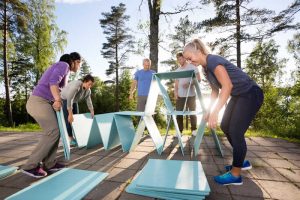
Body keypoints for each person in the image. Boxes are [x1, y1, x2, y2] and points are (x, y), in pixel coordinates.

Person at [183, 39, 263, 185]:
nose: (189, 61)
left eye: (190, 58)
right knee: (226, 126)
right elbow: (215, 91)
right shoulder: (206, 69)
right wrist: (208, 110)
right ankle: (242, 161)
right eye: (187, 59)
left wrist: (215, 112)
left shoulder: (213, 61)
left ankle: (236, 175)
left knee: (235, 131)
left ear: (199, 51)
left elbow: (227, 86)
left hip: (250, 94)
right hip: (238, 95)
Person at [22, 52, 82, 178]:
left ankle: (49, 163)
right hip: (38, 101)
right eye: (79, 63)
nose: (79, 66)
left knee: (56, 131)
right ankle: (31, 166)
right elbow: (53, 82)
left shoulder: (63, 68)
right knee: (52, 131)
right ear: (75, 61)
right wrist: (57, 100)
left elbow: (58, 89)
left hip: (43, 102)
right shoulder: (64, 65)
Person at [61, 74, 95, 146]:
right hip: (65, 99)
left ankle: (77, 136)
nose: (90, 86)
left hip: (74, 101)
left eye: (91, 85)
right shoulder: (76, 86)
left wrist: (92, 111)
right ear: (85, 81)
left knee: (76, 119)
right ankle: (70, 138)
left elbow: (89, 101)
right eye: (89, 84)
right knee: (69, 119)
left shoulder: (88, 91)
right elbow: (69, 99)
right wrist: (70, 113)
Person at [174, 52, 201, 137]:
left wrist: (190, 83)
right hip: (180, 95)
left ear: (185, 58)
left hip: (191, 94)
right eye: (178, 59)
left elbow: (199, 79)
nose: (179, 60)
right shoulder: (177, 70)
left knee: (192, 112)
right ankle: (179, 131)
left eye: (181, 58)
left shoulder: (192, 67)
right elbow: (176, 83)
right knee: (178, 113)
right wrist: (175, 92)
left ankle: (194, 130)